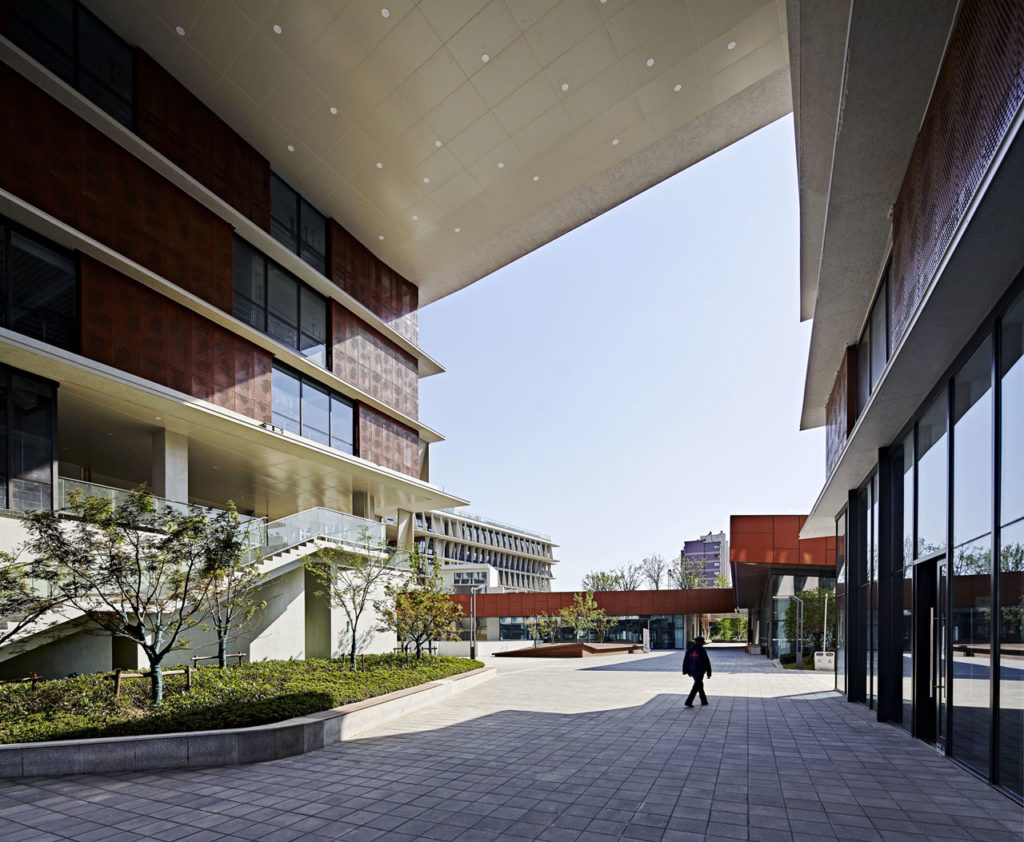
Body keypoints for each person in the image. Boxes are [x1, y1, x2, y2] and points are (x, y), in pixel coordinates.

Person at [682, 635, 712, 707]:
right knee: (696, 686)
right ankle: (689, 701)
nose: (702, 644)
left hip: (692, 670)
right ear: (700, 642)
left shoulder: (689, 649)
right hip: (700, 670)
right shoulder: (702, 650)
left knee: (699, 684)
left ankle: (704, 700)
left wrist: (686, 670)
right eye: (702, 642)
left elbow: (686, 660)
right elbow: (706, 661)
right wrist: (709, 671)